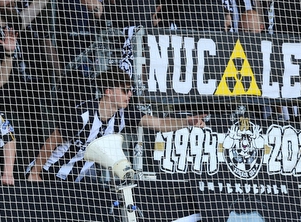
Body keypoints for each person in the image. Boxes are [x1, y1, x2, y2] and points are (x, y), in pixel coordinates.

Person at [28, 67, 206, 182]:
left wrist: (186, 122)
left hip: (74, 181)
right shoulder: (83, 115)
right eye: (125, 90)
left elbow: (158, 123)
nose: (129, 94)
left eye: (130, 91)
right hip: (47, 174)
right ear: (109, 92)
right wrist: (35, 174)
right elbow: (52, 141)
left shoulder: (123, 116)